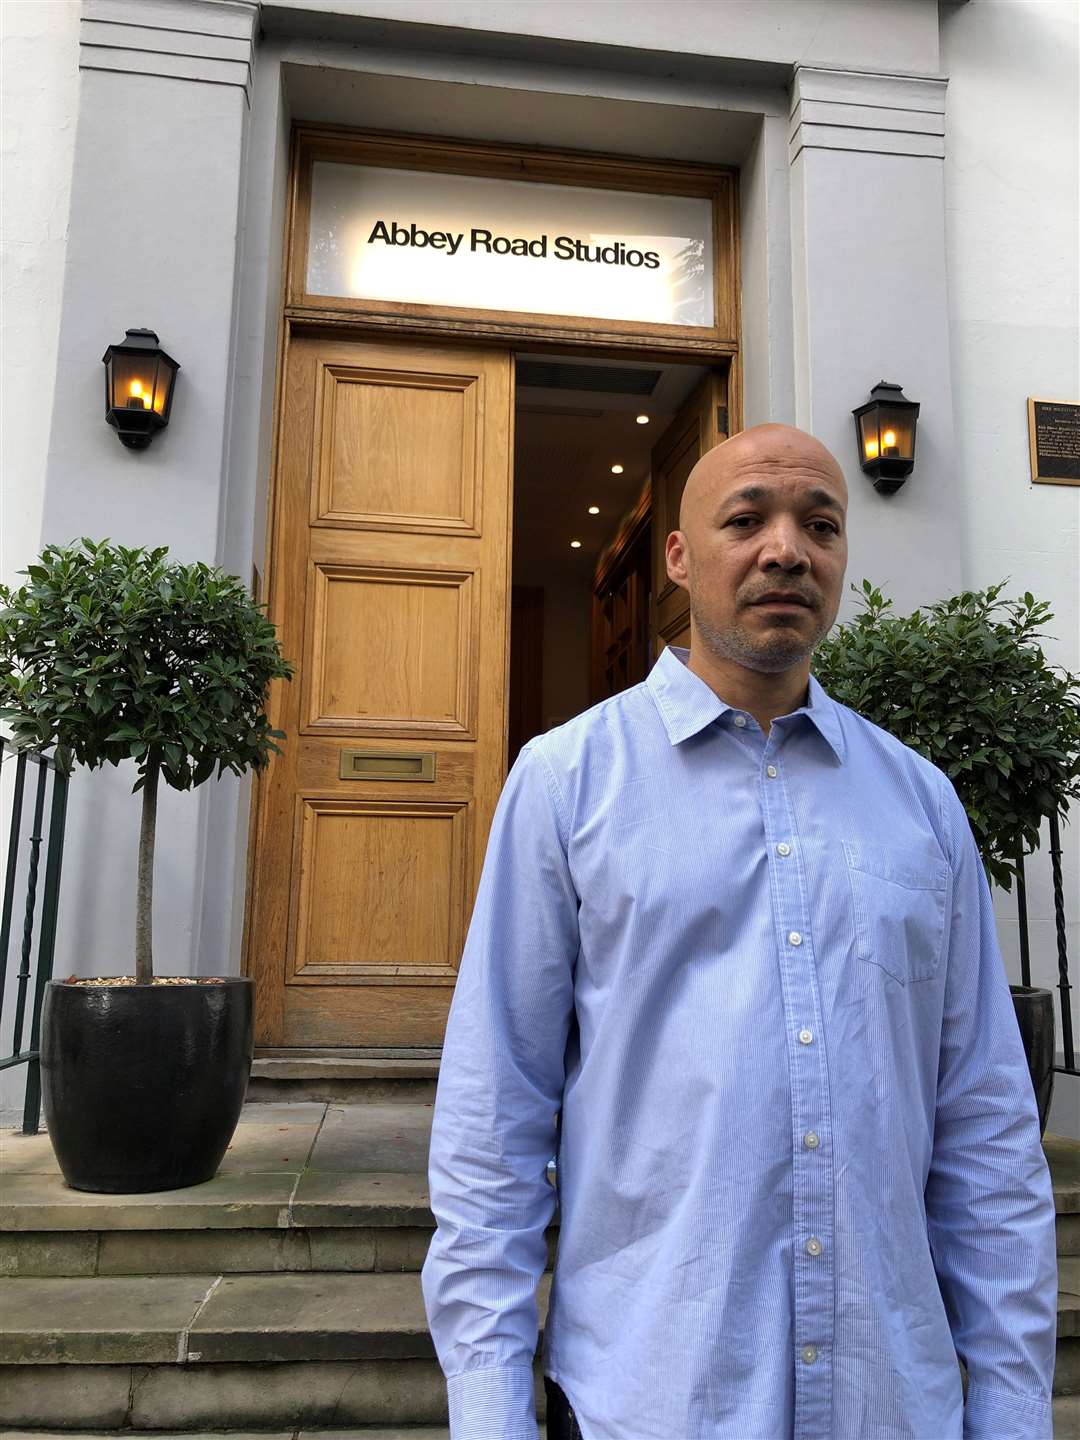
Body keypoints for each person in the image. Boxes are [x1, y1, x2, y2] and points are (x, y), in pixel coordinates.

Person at [420, 423, 1058, 1440]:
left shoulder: (921, 804)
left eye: (820, 525)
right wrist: (493, 1412)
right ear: (678, 558)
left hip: (893, 1404)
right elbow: (493, 1122)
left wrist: (1016, 1410)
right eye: (746, 519)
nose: (786, 550)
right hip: (654, 1397)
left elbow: (986, 1129)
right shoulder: (568, 782)